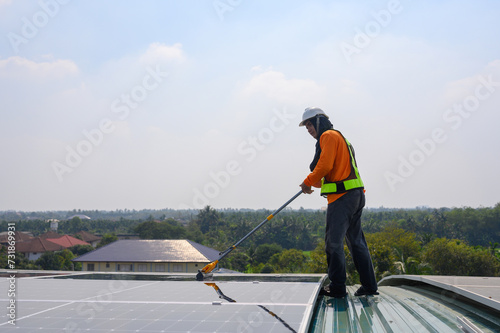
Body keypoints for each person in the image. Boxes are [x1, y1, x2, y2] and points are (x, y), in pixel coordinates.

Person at [299, 107, 378, 298]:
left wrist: (307, 182)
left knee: (333, 244)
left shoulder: (327, 136)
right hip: (356, 195)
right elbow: (333, 172)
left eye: (310, 124)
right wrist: (313, 182)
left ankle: (337, 288)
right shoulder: (341, 138)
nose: (308, 129)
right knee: (356, 243)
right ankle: (369, 286)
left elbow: (324, 166)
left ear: (319, 121)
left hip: (342, 199)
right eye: (306, 126)